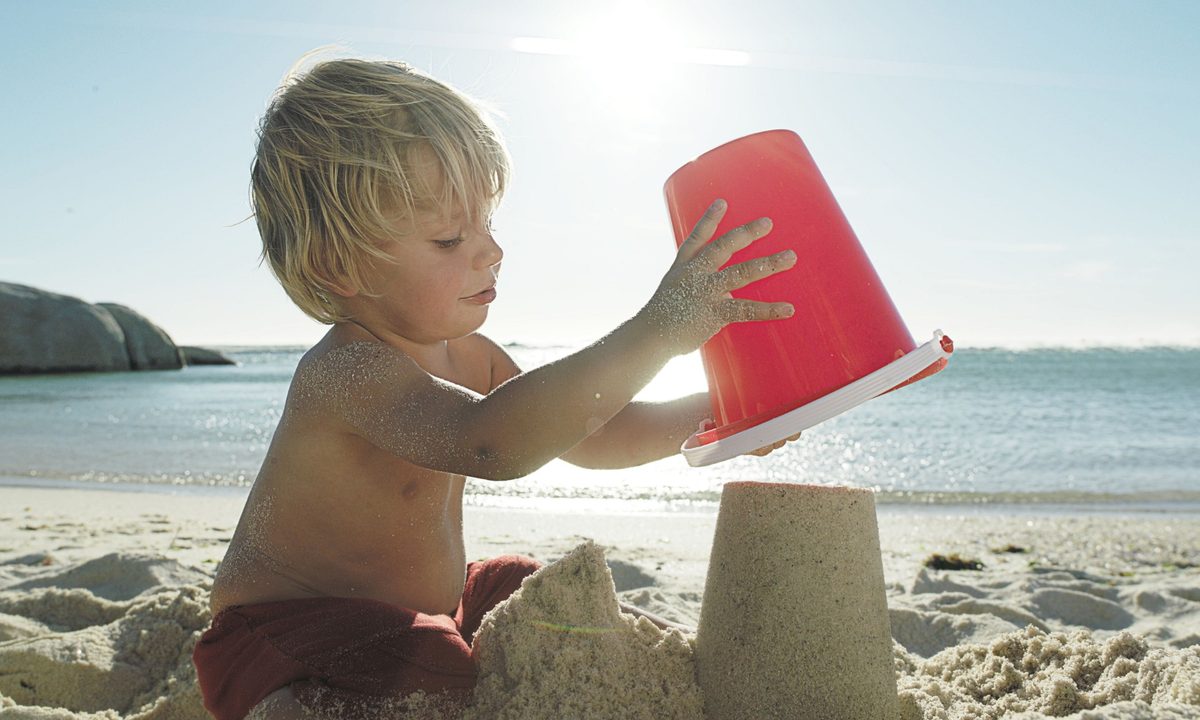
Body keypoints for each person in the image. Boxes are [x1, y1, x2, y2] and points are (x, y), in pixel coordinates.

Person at [192, 56, 799, 720]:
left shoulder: (474, 358)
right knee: (438, 665)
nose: (490, 252)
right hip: (288, 632)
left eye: (486, 226)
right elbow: (491, 445)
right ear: (340, 267)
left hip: (420, 613)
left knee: (530, 585)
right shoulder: (346, 372)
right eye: (450, 239)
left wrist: (725, 412)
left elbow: (599, 433)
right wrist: (657, 331)